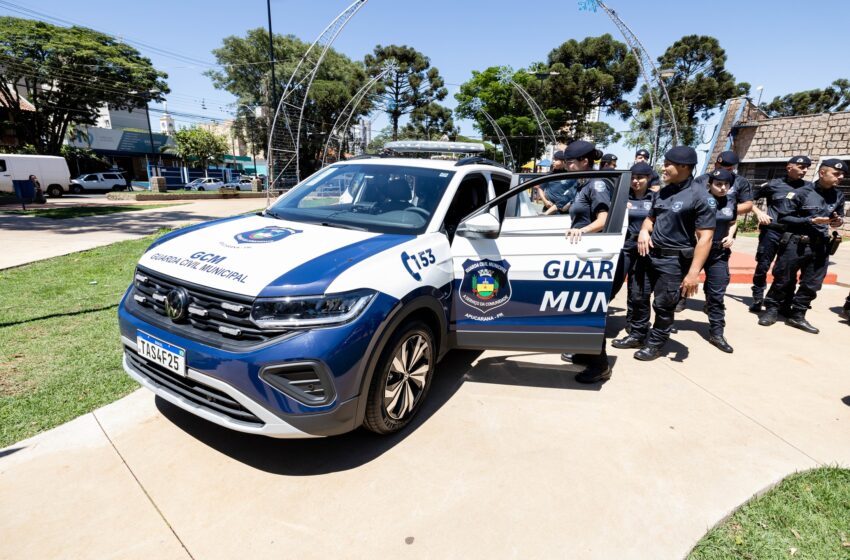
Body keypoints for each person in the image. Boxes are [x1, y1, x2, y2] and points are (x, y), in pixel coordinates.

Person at [627, 146, 716, 361]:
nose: (663, 168)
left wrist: (693, 273)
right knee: (638, 296)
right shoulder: (664, 192)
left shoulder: (700, 196)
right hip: (648, 254)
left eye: (668, 164)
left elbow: (706, 237)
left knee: (664, 304)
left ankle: (656, 343)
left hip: (673, 260)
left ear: (684, 166)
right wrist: (643, 231)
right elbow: (650, 218)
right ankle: (638, 334)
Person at [759, 159, 846, 333]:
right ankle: (772, 310)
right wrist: (810, 220)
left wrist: (837, 222)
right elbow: (784, 218)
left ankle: (798, 315)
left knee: (812, 284)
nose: (841, 177)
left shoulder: (838, 196)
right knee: (783, 278)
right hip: (796, 243)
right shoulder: (800, 193)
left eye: (842, 174)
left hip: (820, 245)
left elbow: (837, 219)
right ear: (822, 173)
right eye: (836, 174)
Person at [558, 140, 613, 383]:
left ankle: (600, 365)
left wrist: (584, 231)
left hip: (592, 253)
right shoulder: (583, 184)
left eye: (571, 161)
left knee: (588, 307)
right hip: (582, 252)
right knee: (579, 305)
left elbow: (604, 219)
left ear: (585, 162)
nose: (568, 165)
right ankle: (584, 352)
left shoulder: (597, 184)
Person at [676, 150, 753, 313]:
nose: (723, 171)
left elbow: (747, 205)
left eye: (728, 168)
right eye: (719, 166)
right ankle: (680, 299)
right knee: (688, 269)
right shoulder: (701, 180)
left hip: (721, 235)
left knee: (717, 278)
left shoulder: (740, 182)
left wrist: (722, 210)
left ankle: (710, 303)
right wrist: (708, 209)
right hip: (697, 236)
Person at [748, 156, 812, 313]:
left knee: (785, 269)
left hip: (793, 234)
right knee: (763, 265)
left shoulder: (810, 187)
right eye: (801, 167)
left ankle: (780, 300)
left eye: (806, 168)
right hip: (772, 231)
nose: (804, 170)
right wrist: (759, 212)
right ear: (789, 167)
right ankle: (757, 297)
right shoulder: (773, 185)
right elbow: (748, 200)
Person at [610, 162, 655, 338]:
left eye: (640, 178)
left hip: (644, 249)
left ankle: (632, 323)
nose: (636, 181)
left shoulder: (654, 198)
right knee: (614, 284)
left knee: (638, 289)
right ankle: (598, 317)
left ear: (649, 178)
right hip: (625, 247)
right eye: (633, 178)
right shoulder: (622, 197)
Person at [700, 169, 738, 353]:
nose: (723, 188)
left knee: (716, 295)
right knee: (673, 291)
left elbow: (733, 221)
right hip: (697, 251)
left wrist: (731, 236)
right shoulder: (699, 200)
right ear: (710, 185)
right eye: (718, 184)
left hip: (719, 253)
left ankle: (717, 333)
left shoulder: (731, 201)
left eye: (726, 185)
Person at [536, 150, 577, 215]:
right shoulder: (549, 175)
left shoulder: (570, 175)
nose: (553, 162)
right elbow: (540, 188)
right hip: (549, 209)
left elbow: (574, 192)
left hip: (564, 211)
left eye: (556, 160)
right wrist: (545, 201)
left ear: (564, 162)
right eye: (553, 159)